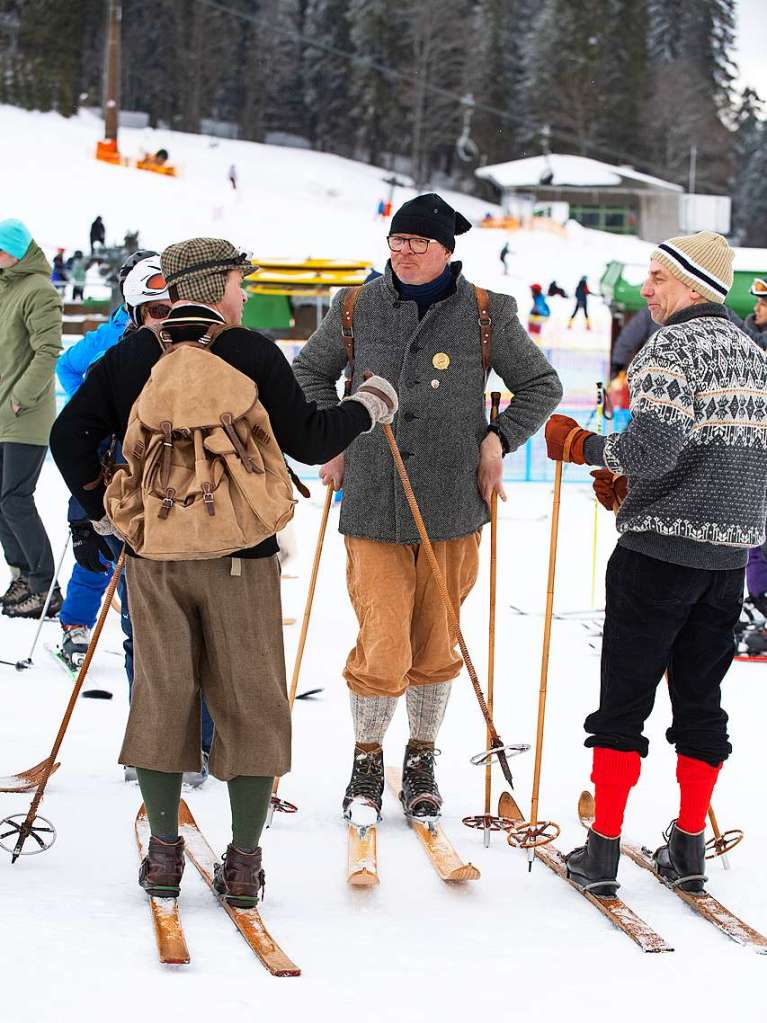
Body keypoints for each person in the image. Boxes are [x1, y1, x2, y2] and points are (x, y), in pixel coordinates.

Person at [50, 237, 396, 907]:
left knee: (161, 696)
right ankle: (241, 863)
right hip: (243, 557)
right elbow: (310, 440)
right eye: (240, 283)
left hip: (154, 559)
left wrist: (104, 511)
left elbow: (68, 436)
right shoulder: (250, 352)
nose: (245, 294)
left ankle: (164, 854)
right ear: (214, 286)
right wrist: (369, 404)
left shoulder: (133, 355)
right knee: (250, 704)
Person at [293, 193, 562, 826]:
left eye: (419, 243)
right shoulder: (356, 305)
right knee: (382, 640)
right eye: (397, 242)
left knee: (437, 641)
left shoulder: (486, 312)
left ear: (447, 250)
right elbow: (309, 372)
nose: (406, 253)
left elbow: (541, 385)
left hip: (452, 504)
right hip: (373, 498)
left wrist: (498, 438)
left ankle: (421, 758)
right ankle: (366, 758)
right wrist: (330, 437)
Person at [544, 231, 767, 897]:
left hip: (657, 554)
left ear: (693, 284)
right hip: (726, 560)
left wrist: (582, 445)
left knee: (624, 700)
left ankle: (603, 848)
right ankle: (688, 844)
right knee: (701, 700)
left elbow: (647, 447)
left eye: (658, 277)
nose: (646, 289)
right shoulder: (753, 355)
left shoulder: (670, 345)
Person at [0, 219, 63, 619]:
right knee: (0, 501)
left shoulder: (39, 291)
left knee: (15, 499)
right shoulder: (7, 287)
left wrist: (20, 399)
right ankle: (22, 574)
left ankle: (46, 587)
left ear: (16, 251)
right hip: (3, 410)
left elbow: (48, 351)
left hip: (25, 414)